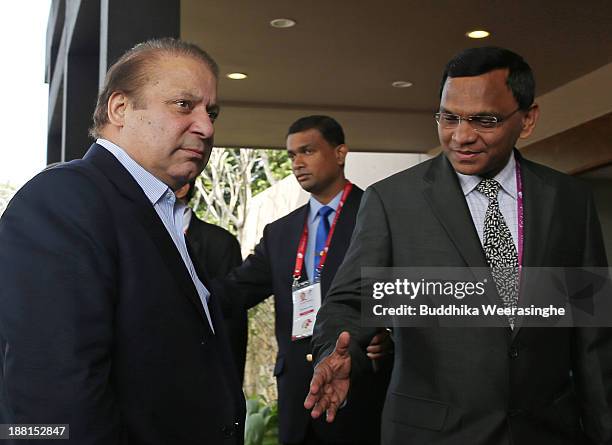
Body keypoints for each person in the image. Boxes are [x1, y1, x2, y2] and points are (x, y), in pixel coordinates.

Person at [306, 47, 612, 445]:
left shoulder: (569, 200)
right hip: (435, 433)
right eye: (449, 118)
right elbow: (351, 301)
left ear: (528, 119)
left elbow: (592, 333)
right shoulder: (393, 201)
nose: (462, 136)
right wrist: (336, 349)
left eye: (485, 120)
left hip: (547, 431)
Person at [0, 38, 244, 444]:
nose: (206, 126)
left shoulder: (160, 212)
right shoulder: (64, 200)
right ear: (120, 109)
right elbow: (52, 397)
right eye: (184, 105)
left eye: (211, 111)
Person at [213, 115, 391, 445]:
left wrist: (390, 335)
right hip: (298, 394)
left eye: (307, 151)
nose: (297, 163)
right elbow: (235, 290)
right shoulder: (280, 232)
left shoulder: (379, 215)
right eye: (292, 155)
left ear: (340, 153)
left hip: (360, 389)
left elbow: (402, 292)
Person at [175, 180, 247, 382]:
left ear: (182, 188)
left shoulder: (221, 243)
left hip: (207, 377)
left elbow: (232, 321)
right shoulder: (142, 237)